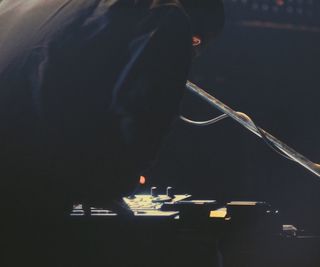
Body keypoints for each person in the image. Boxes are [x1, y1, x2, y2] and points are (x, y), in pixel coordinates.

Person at [0, 0, 224, 265]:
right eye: (197, 43)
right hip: (26, 194)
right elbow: (138, 121)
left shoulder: (26, 5)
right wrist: (118, 184)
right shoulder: (166, 17)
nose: (193, 55)